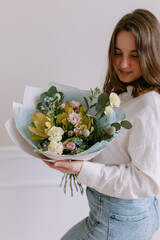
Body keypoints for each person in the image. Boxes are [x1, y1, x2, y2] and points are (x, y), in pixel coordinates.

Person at [44, 9, 160, 240]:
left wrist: (82, 169)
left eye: (134, 55)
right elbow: (117, 152)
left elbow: (145, 180)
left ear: (151, 54)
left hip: (120, 216)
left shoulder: (148, 103)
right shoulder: (127, 95)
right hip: (119, 214)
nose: (123, 63)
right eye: (117, 53)